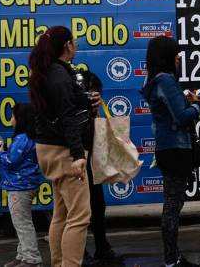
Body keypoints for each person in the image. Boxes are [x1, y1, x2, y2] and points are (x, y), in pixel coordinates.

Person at [28, 26, 93, 266]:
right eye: (74, 41)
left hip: (48, 148)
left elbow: (59, 109)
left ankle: (58, 263)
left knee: (62, 214)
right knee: (80, 217)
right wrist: (77, 154)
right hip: (64, 151)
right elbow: (68, 116)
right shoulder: (59, 75)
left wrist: (86, 100)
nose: (76, 45)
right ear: (67, 45)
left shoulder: (48, 72)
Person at [141, 36, 200, 267]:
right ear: (166, 56)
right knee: (173, 206)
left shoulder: (155, 80)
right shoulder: (166, 80)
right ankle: (171, 259)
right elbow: (182, 116)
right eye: (175, 54)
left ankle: (172, 256)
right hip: (176, 149)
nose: (178, 58)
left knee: (172, 204)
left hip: (167, 148)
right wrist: (196, 105)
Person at [79, 70, 118, 265]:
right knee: (78, 210)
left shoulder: (91, 110)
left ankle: (101, 246)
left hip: (92, 161)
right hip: (78, 160)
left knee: (98, 205)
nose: (94, 95)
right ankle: (79, 250)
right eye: (91, 92)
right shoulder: (74, 109)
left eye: (96, 92)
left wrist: (94, 110)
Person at [0, 102, 43, 267]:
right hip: (28, 184)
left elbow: (11, 161)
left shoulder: (22, 139)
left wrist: (0, 152)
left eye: (13, 115)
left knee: (22, 223)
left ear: (20, 118)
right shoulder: (32, 137)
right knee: (22, 221)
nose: (11, 119)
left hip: (20, 186)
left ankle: (32, 259)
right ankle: (22, 256)